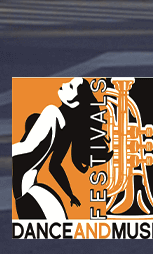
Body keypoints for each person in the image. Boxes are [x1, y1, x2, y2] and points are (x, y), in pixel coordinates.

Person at [12, 78, 96, 221]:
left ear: (74, 102)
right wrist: (70, 195)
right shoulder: (66, 130)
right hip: (31, 189)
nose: (63, 84)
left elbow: (28, 148)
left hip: (26, 191)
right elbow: (54, 167)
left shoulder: (51, 112)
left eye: (70, 86)